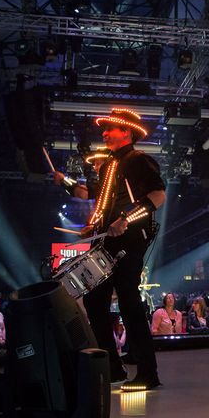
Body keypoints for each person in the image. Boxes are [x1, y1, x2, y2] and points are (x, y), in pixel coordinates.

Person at [53, 107, 165, 390]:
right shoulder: (111, 166)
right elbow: (92, 197)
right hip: (108, 242)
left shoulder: (138, 160)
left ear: (126, 132)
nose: (103, 133)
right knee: (94, 302)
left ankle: (148, 373)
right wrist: (92, 222)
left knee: (128, 301)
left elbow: (157, 195)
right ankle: (113, 368)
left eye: (110, 129)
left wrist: (125, 219)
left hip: (130, 239)